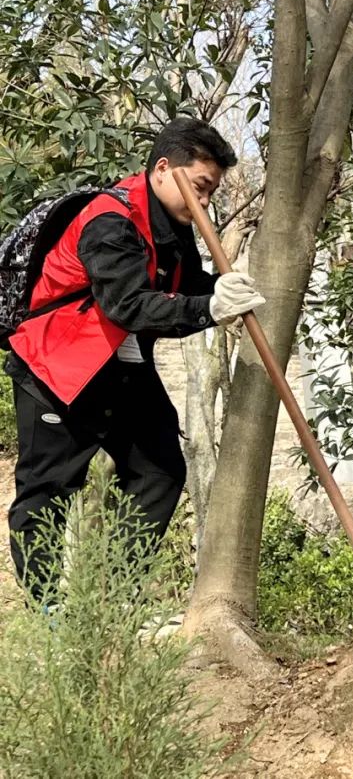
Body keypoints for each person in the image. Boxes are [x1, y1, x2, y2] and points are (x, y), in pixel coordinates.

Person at [6, 117, 264, 602]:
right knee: (47, 493)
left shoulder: (172, 221)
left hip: (120, 367)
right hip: (57, 367)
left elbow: (183, 287)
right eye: (201, 187)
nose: (205, 201)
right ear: (163, 169)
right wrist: (209, 307)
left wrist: (223, 290)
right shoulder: (110, 221)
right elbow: (127, 304)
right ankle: (50, 614)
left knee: (161, 469)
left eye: (210, 192)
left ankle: (112, 597)